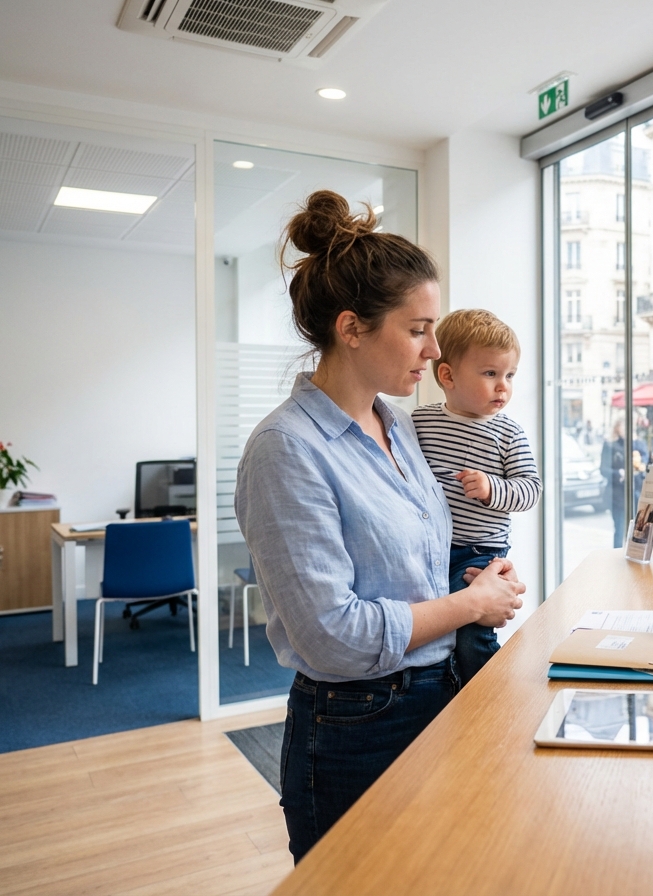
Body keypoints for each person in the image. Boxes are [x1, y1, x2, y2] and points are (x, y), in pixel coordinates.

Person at [234, 191, 525, 863]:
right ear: (352, 328)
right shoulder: (287, 449)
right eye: (419, 328)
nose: (434, 347)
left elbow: (416, 569)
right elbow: (334, 635)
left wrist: (478, 578)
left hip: (435, 694)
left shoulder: (397, 426)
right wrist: (467, 605)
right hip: (355, 726)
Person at [411, 309, 542, 684]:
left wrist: (491, 489)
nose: (503, 387)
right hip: (429, 547)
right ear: (447, 375)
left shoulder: (508, 433)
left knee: (473, 635)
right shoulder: (420, 422)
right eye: (490, 374)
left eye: (510, 375)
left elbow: (530, 489)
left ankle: (488, 693)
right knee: (434, 631)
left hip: (479, 553)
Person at [600, 419, 652, 547]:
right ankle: (617, 559)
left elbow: (646, 465)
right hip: (618, 496)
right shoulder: (610, 445)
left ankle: (636, 559)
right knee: (620, 530)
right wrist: (619, 473)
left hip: (638, 493)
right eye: (623, 426)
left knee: (639, 531)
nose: (626, 429)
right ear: (617, 428)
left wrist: (642, 466)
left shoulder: (639, 444)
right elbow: (603, 469)